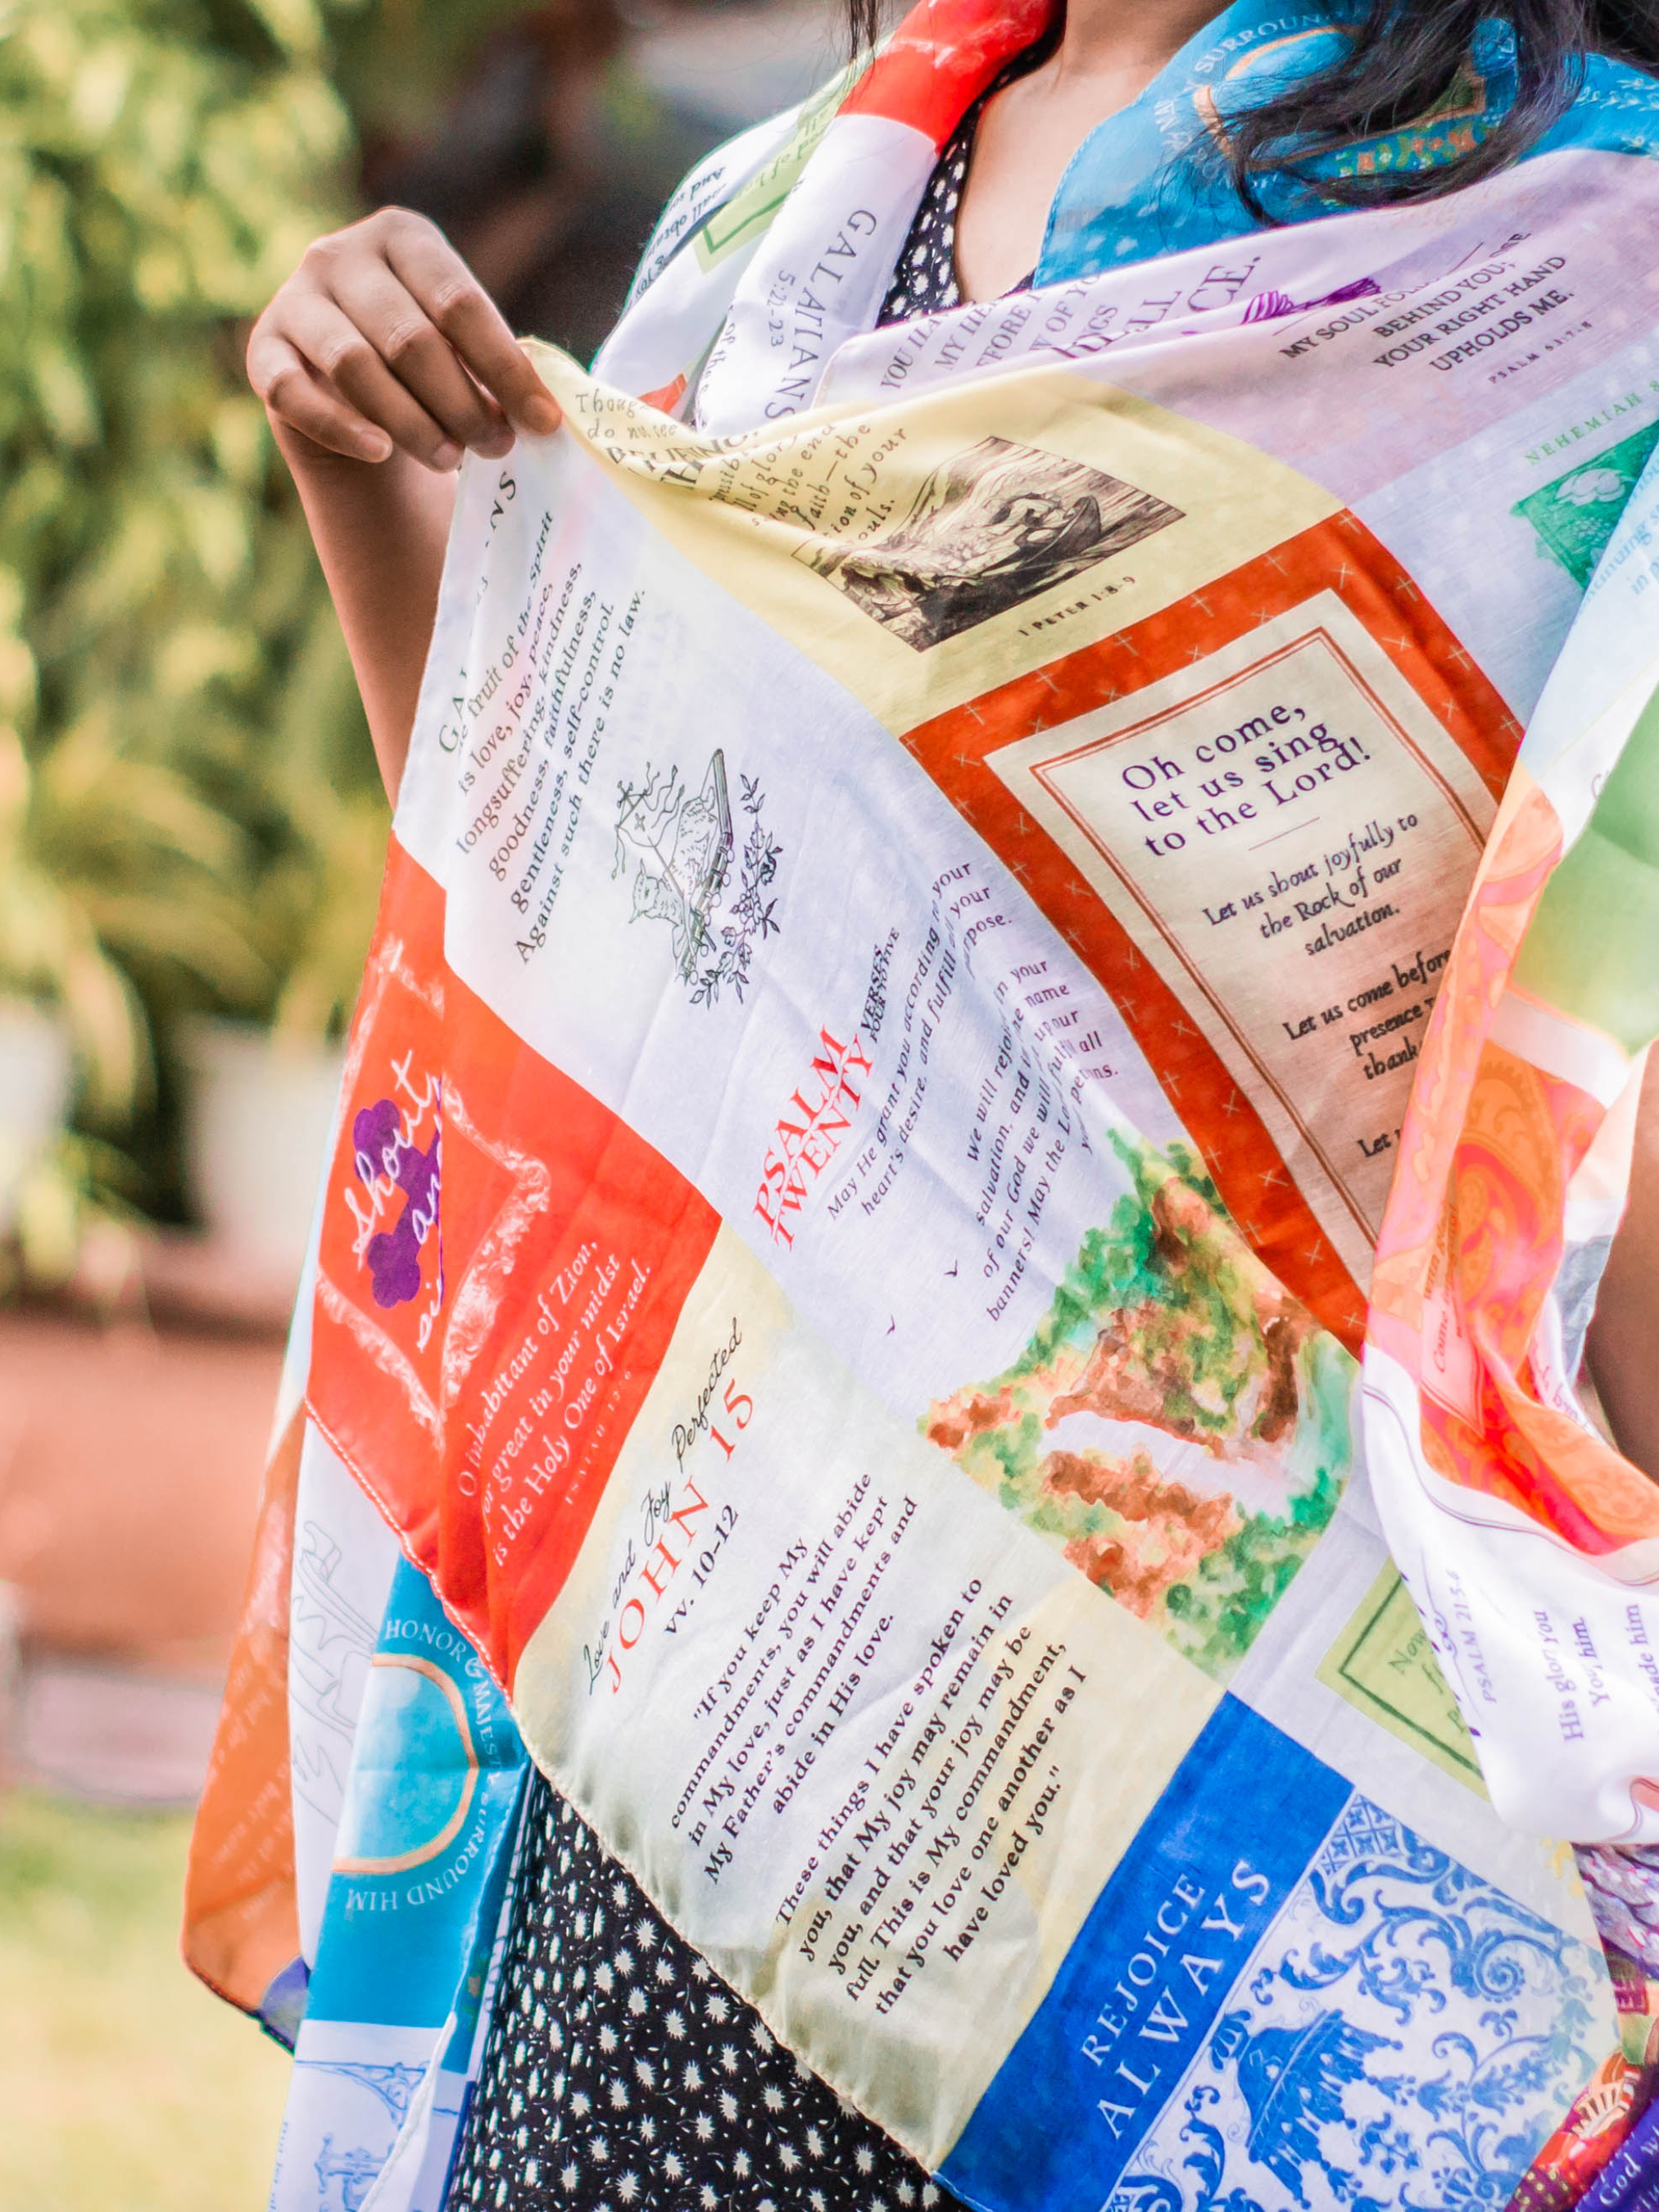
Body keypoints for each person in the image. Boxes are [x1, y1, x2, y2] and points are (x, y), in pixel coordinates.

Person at [242, 3, 1659, 2209]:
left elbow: (1592, 1150)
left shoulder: (1588, 267)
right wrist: (370, 478)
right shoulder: (778, 232)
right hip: (679, 1811)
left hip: (1238, 1898)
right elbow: (585, 965)